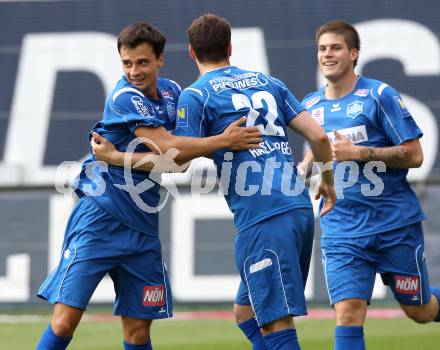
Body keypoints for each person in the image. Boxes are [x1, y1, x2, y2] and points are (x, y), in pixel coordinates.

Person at [92, 13, 335, 350]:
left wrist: (116, 157)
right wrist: (328, 181)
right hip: (297, 208)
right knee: (246, 313)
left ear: (191, 52)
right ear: (230, 47)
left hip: (262, 215)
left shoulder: (196, 96)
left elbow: (175, 158)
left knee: (276, 322)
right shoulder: (269, 82)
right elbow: (319, 137)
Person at [35, 22, 261, 350]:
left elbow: (177, 161)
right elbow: (171, 146)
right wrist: (222, 141)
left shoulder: (172, 93)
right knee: (65, 321)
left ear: (160, 60)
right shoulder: (124, 97)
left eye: (142, 62)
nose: (134, 71)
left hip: (142, 226)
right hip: (101, 217)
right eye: (127, 63)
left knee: (139, 332)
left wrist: (116, 157)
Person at [300, 20, 440, 350]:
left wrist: (359, 153)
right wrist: (303, 171)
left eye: (335, 47)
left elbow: (415, 155)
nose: (327, 54)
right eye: (322, 48)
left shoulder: (379, 95)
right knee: (348, 312)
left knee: (419, 311)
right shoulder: (310, 106)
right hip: (342, 228)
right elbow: (312, 155)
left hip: (394, 225)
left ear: (354, 54)